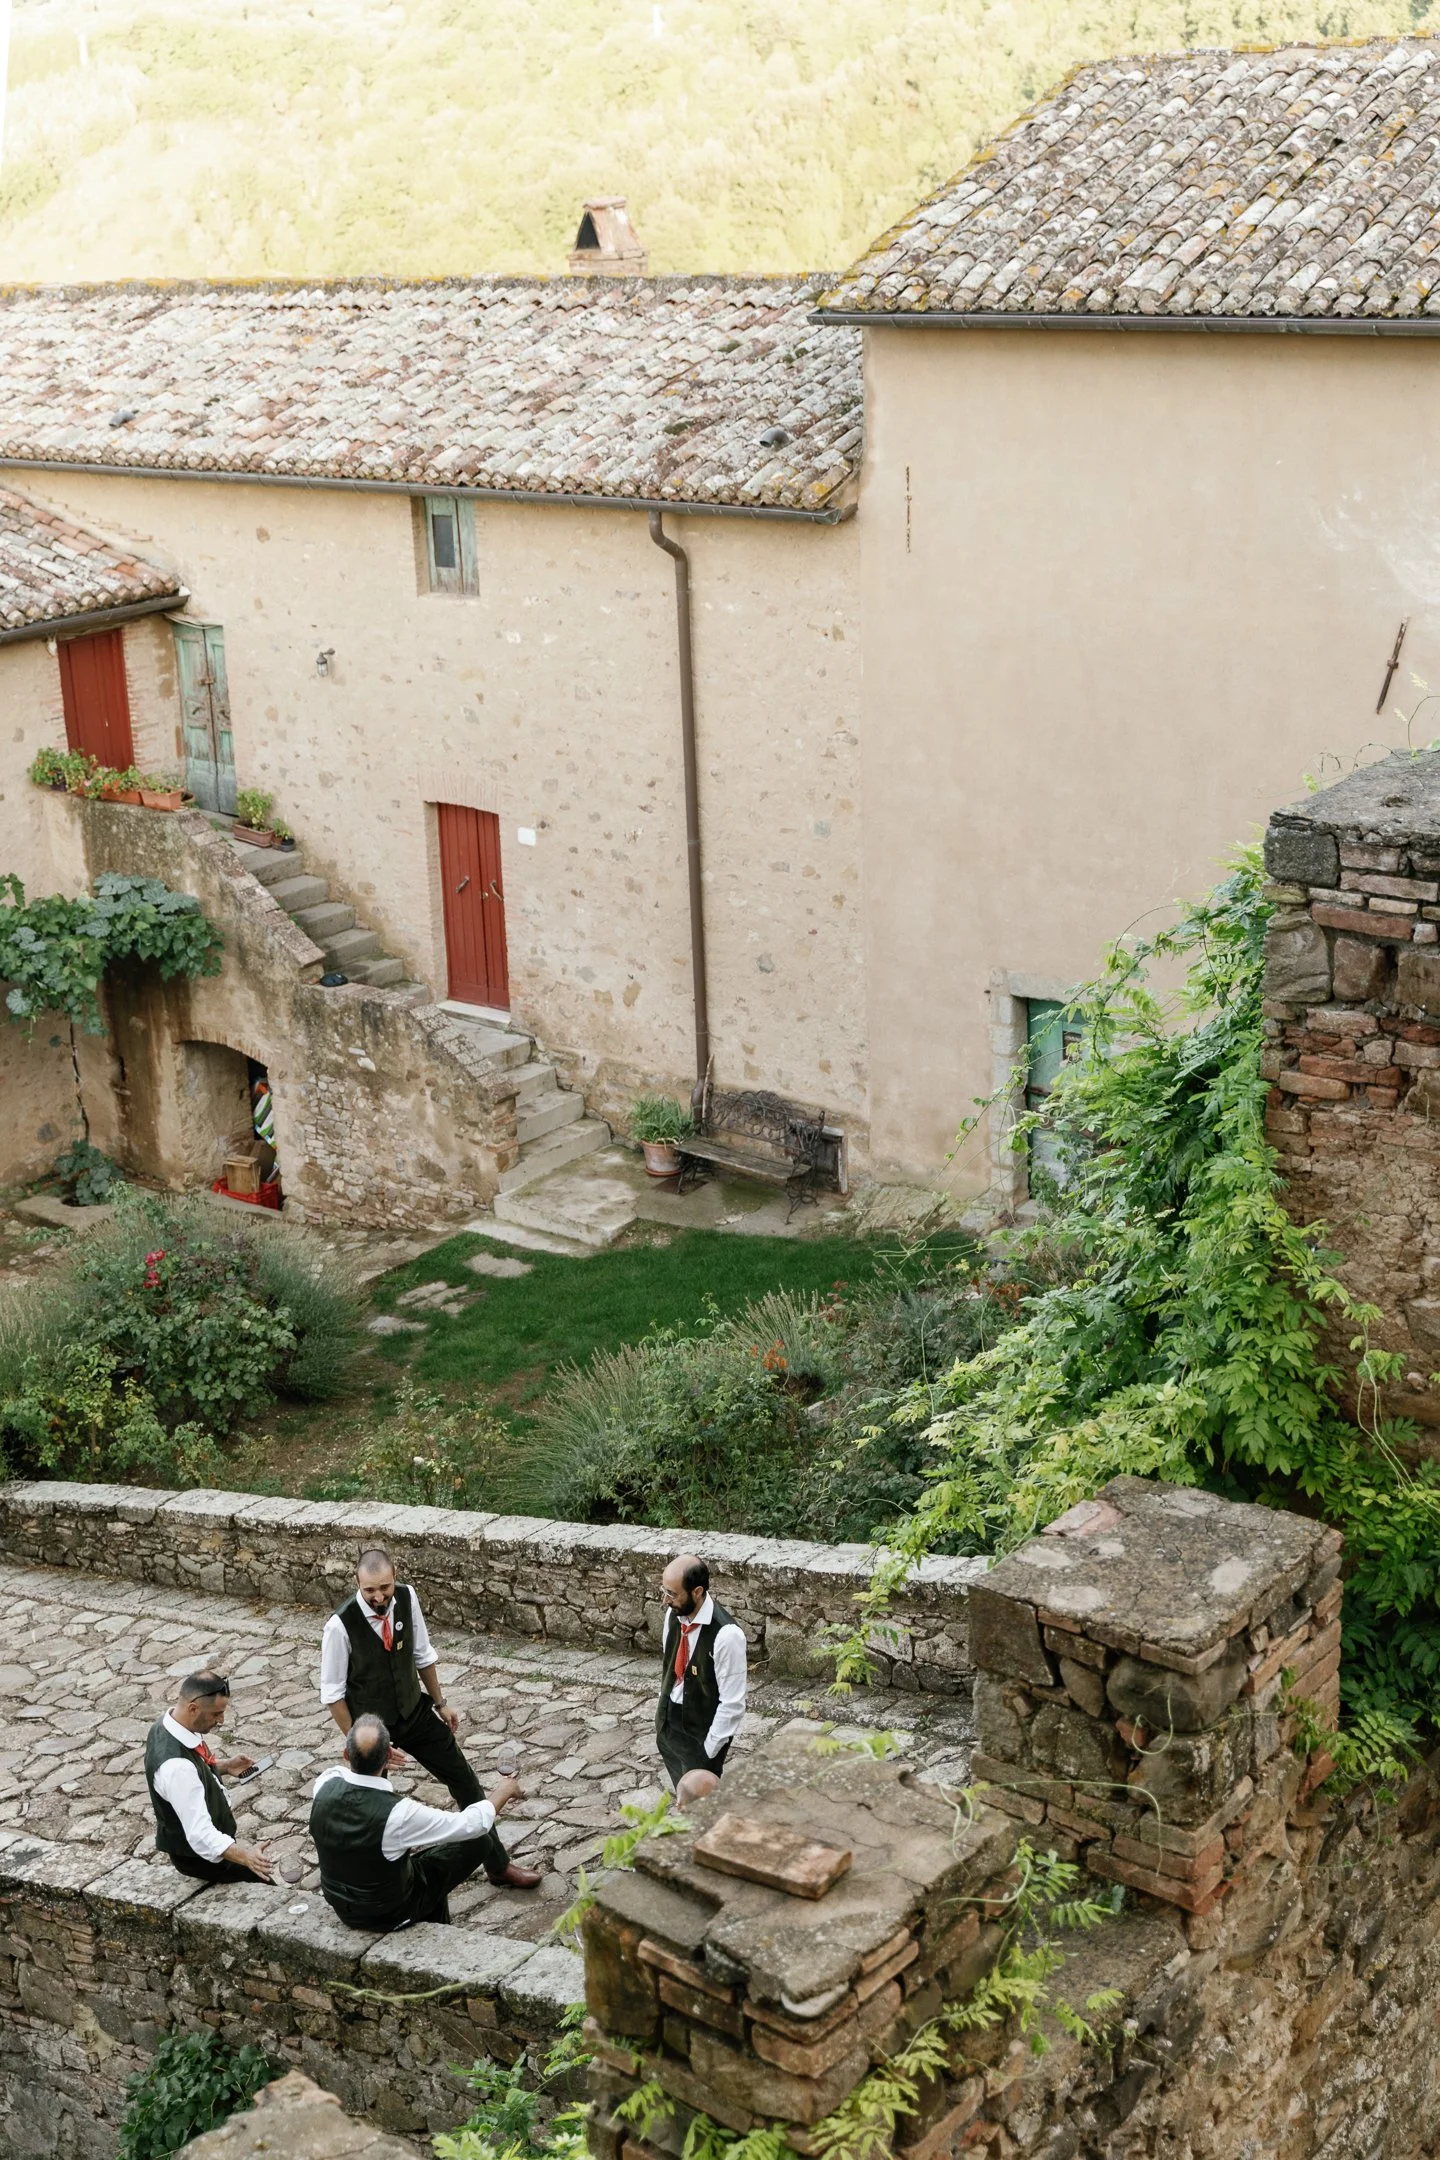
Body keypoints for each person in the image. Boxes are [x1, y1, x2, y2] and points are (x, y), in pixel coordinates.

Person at [319, 1545, 539, 1888]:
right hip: (373, 1728)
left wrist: (441, 1703)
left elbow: (422, 1655)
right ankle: (384, 1880)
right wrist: (360, 1744)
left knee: (464, 1778)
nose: (379, 1597)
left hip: (414, 1711)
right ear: (357, 1583)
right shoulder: (339, 1626)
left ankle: (498, 1865)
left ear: (395, 1576)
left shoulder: (407, 1597)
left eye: (385, 1587)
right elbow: (333, 1695)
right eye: (370, 1590)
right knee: (374, 1805)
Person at [310, 1713, 524, 1929]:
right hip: (388, 1913)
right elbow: (472, 1824)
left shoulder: (325, 1784)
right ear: (387, 1757)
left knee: (425, 1869)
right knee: (479, 1842)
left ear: (346, 1754)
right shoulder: (398, 1813)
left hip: (342, 1905)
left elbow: (342, 1774)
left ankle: (439, 1921)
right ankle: (435, 1925)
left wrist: (376, 1757)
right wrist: (504, 1791)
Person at [145, 1670, 274, 1885]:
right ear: (193, 1708)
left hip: (202, 1846)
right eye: (216, 1714)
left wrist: (223, 1767)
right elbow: (200, 1834)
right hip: (201, 1859)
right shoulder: (178, 1768)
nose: (222, 1720)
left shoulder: (168, 1724)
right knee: (265, 1887)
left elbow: (192, 1772)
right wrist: (245, 1857)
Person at [656, 1554, 747, 1806]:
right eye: (664, 1591)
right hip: (669, 1723)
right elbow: (673, 1668)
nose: (665, 1600)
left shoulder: (727, 1636)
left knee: (702, 1806)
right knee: (682, 1796)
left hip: (702, 1736)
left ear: (697, 1592)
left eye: (672, 1594)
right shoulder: (672, 1615)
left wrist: (708, 1752)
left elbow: (733, 1703)